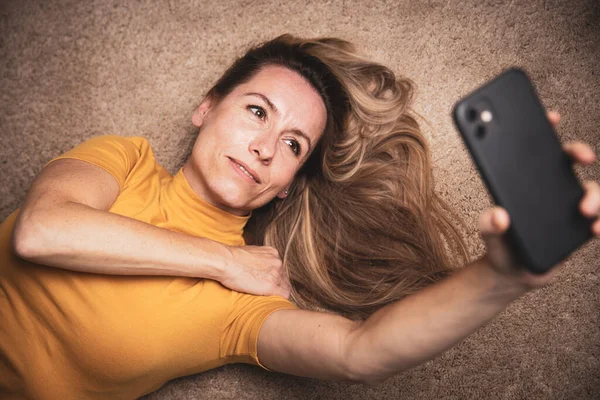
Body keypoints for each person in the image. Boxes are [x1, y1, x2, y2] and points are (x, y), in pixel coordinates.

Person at [0, 34, 598, 399]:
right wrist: (224, 259)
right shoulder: (124, 159)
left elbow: (358, 353)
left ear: (287, 186)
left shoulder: (241, 306)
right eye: (256, 111)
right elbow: (43, 229)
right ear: (205, 109)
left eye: (293, 145)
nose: (265, 147)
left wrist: (503, 278)